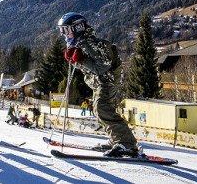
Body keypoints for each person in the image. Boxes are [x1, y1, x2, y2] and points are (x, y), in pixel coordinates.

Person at [57, 12, 140, 158]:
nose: (65, 34)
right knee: (98, 110)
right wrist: (74, 59)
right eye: (62, 30)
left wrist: (80, 59)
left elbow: (102, 67)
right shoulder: (80, 43)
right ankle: (117, 140)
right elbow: (87, 66)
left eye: (67, 30)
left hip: (107, 81)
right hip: (98, 82)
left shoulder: (91, 43)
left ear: (78, 28)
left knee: (103, 108)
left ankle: (126, 144)